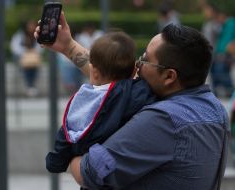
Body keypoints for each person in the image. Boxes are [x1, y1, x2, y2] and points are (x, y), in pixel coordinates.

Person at [34, 11, 230, 189]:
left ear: (169, 76)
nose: (136, 65)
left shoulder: (163, 120)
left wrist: (73, 150)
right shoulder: (213, 109)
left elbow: (89, 172)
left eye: (144, 60)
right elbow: (114, 83)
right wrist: (68, 46)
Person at [45, 31, 154, 173]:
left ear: (93, 72)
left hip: (91, 170)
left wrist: (55, 162)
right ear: (134, 70)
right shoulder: (140, 91)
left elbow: (67, 134)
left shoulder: (85, 101)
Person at [207, 0, 235, 98]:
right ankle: (217, 93)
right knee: (215, 72)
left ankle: (230, 92)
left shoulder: (231, 22)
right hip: (218, 53)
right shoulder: (224, 25)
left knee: (222, 73)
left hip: (226, 54)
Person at [10, 19, 43, 97]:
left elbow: (40, 47)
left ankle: (31, 86)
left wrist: (33, 52)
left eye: (32, 25)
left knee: (33, 66)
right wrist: (25, 52)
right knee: (26, 67)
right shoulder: (20, 35)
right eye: (29, 25)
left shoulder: (37, 34)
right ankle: (30, 86)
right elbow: (14, 47)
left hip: (34, 58)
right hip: (22, 57)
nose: (31, 27)